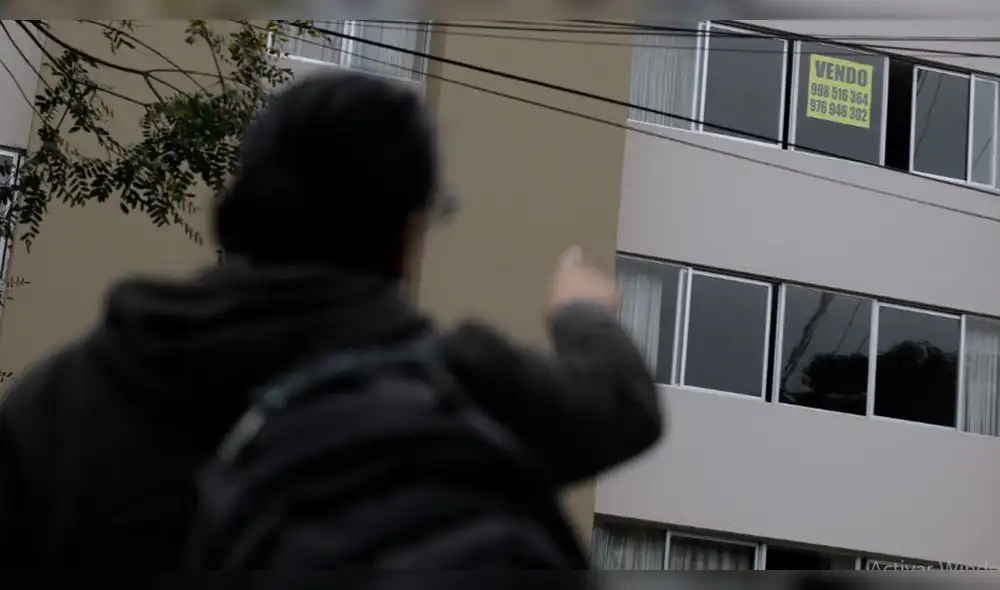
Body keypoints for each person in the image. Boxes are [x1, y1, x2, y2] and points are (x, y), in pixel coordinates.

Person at [0, 69, 662, 570]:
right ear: (408, 233)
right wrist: (580, 310)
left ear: (242, 202)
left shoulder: (67, 398)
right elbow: (619, 405)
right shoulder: (458, 384)